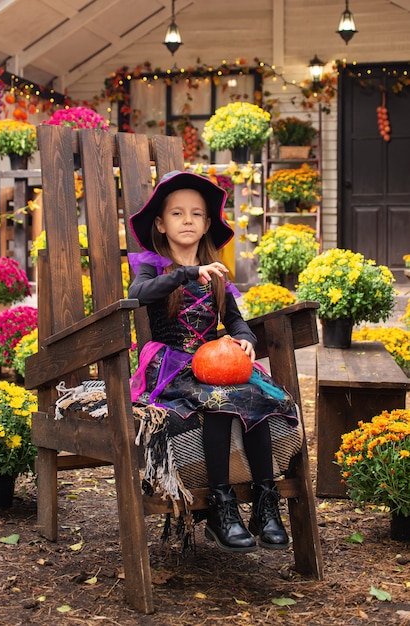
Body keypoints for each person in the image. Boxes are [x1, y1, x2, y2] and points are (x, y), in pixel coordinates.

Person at [128, 170, 298, 554]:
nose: (187, 220)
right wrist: (187, 272)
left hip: (213, 361)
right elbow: (138, 294)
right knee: (220, 402)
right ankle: (223, 507)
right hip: (172, 364)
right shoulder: (152, 267)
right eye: (177, 213)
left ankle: (265, 503)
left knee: (258, 399)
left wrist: (244, 338)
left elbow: (235, 319)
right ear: (160, 222)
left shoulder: (218, 275)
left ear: (207, 224)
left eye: (196, 214)